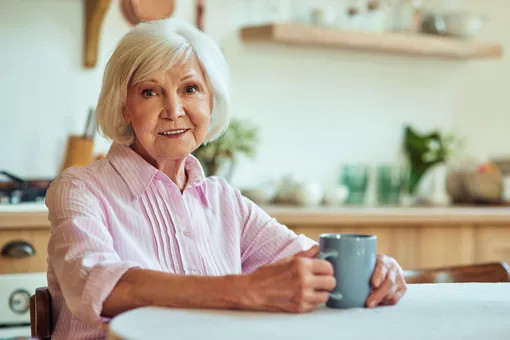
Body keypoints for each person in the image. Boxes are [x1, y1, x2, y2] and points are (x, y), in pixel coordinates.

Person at [45, 18, 407, 339]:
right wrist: (244, 290)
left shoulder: (222, 200)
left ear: (211, 101)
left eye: (190, 89)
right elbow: (94, 286)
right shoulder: (79, 189)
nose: (174, 111)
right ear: (124, 105)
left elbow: (312, 265)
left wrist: (373, 270)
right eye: (150, 92)